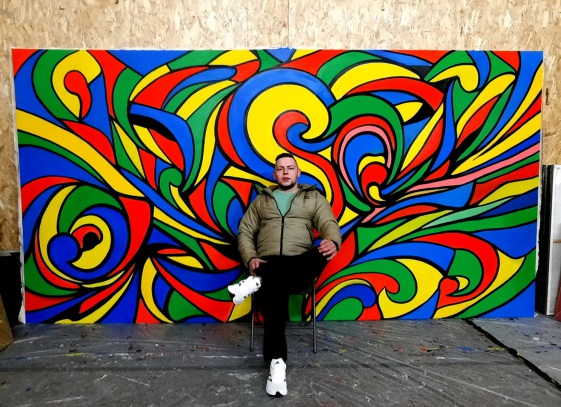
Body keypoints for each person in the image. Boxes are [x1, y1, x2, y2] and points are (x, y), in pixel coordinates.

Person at [228, 152, 342, 397]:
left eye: (290, 168)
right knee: (275, 288)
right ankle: (277, 364)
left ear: (298, 172)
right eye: (280, 168)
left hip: (301, 266)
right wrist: (251, 257)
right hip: (268, 261)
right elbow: (245, 231)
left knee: (319, 253)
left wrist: (332, 240)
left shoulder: (313, 197)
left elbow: (328, 223)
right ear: (275, 174)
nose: (286, 172)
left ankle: (257, 281)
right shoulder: (262, 201)